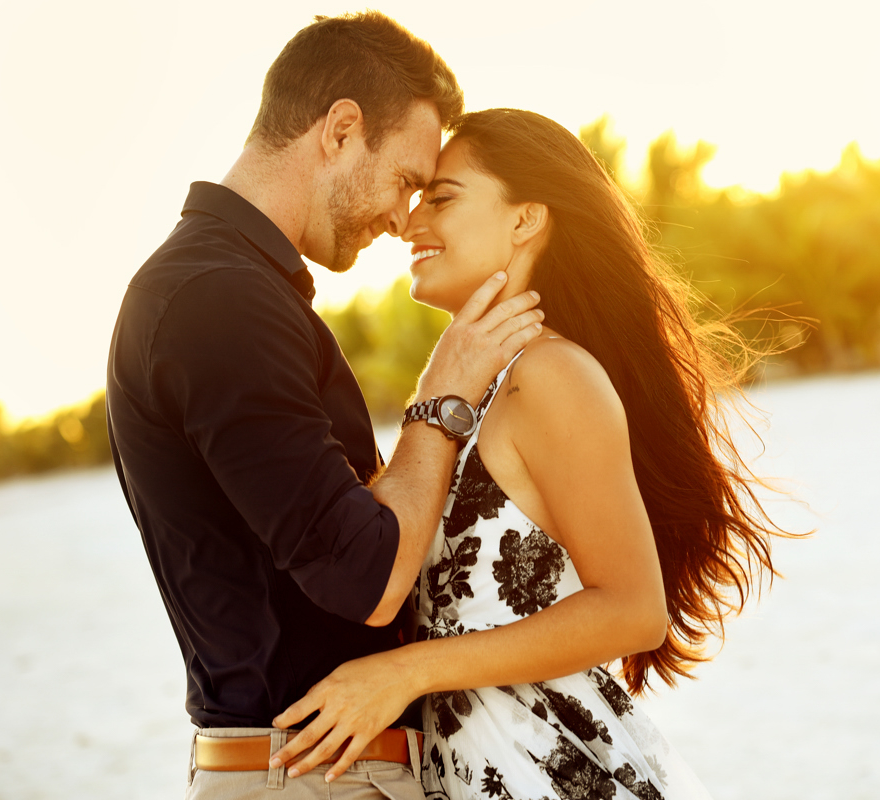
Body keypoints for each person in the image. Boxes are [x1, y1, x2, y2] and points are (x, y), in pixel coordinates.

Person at [268, 109, 790, 799]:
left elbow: (635, 610)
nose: (410, 221)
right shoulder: (467, 397)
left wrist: (406, 673)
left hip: (551, 771)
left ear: (525, 220)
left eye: (442, 198)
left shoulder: (550, 376)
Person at [105, 15, 544, 800]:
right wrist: (442, 396)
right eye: (408, 179)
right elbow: (367, 578)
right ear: (341, 130)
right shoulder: (219, 301)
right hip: (316, 777)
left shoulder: (229, 291)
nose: (406, 217)